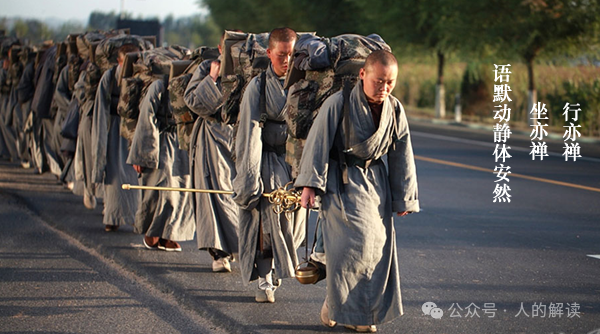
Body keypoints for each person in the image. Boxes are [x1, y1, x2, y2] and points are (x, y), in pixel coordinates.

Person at [295, 50, 420, 332]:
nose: (384, 88)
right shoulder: (338, 103)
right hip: (343, 183)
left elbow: (402, 153)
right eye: (379, 81)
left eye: (391, 82)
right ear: (363, 74)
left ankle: (361, 316)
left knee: (376, 252)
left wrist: (404, 197)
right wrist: (309, 185)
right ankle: (338, 307)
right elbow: (318, 143)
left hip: (377, 183)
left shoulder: (395, 109)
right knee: (349, 252)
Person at [232, 27, 305, 303]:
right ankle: (265, 277)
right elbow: (248, 135)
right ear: (269, 53)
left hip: (296, 161)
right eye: (281, 55)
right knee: (268, 215)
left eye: (292, 55)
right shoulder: (258, 87)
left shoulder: (305, 83)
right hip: (266, 158)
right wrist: (249, 179)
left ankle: (277, 267)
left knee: (294, 224)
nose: (287, 61)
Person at [184, 41, 239, 272]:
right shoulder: (207, 66)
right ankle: (219, 253)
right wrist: (212, 79)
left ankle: (238, 244)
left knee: (237, 194)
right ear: (219, 47)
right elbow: (193, 101)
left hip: (239, 139)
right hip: (210, 138)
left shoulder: (249, 68)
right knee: (213, 195)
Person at [127, 76, 195, 252]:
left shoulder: (193, 81)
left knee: (182, 191)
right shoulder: (159, 85)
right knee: (160, 190)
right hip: (162, 139)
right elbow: (146, 118)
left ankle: (170, 233)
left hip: (184, 139)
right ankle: (153, 231)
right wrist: (143, 155)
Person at [91, 44, 141, 232]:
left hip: (134, 131)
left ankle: (137, 217)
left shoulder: (141, 75)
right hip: (114, 129)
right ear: (119, 61)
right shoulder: (110, 77)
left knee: (135, 176)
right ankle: (112, 217)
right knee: (114, 175)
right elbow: (101, 108)